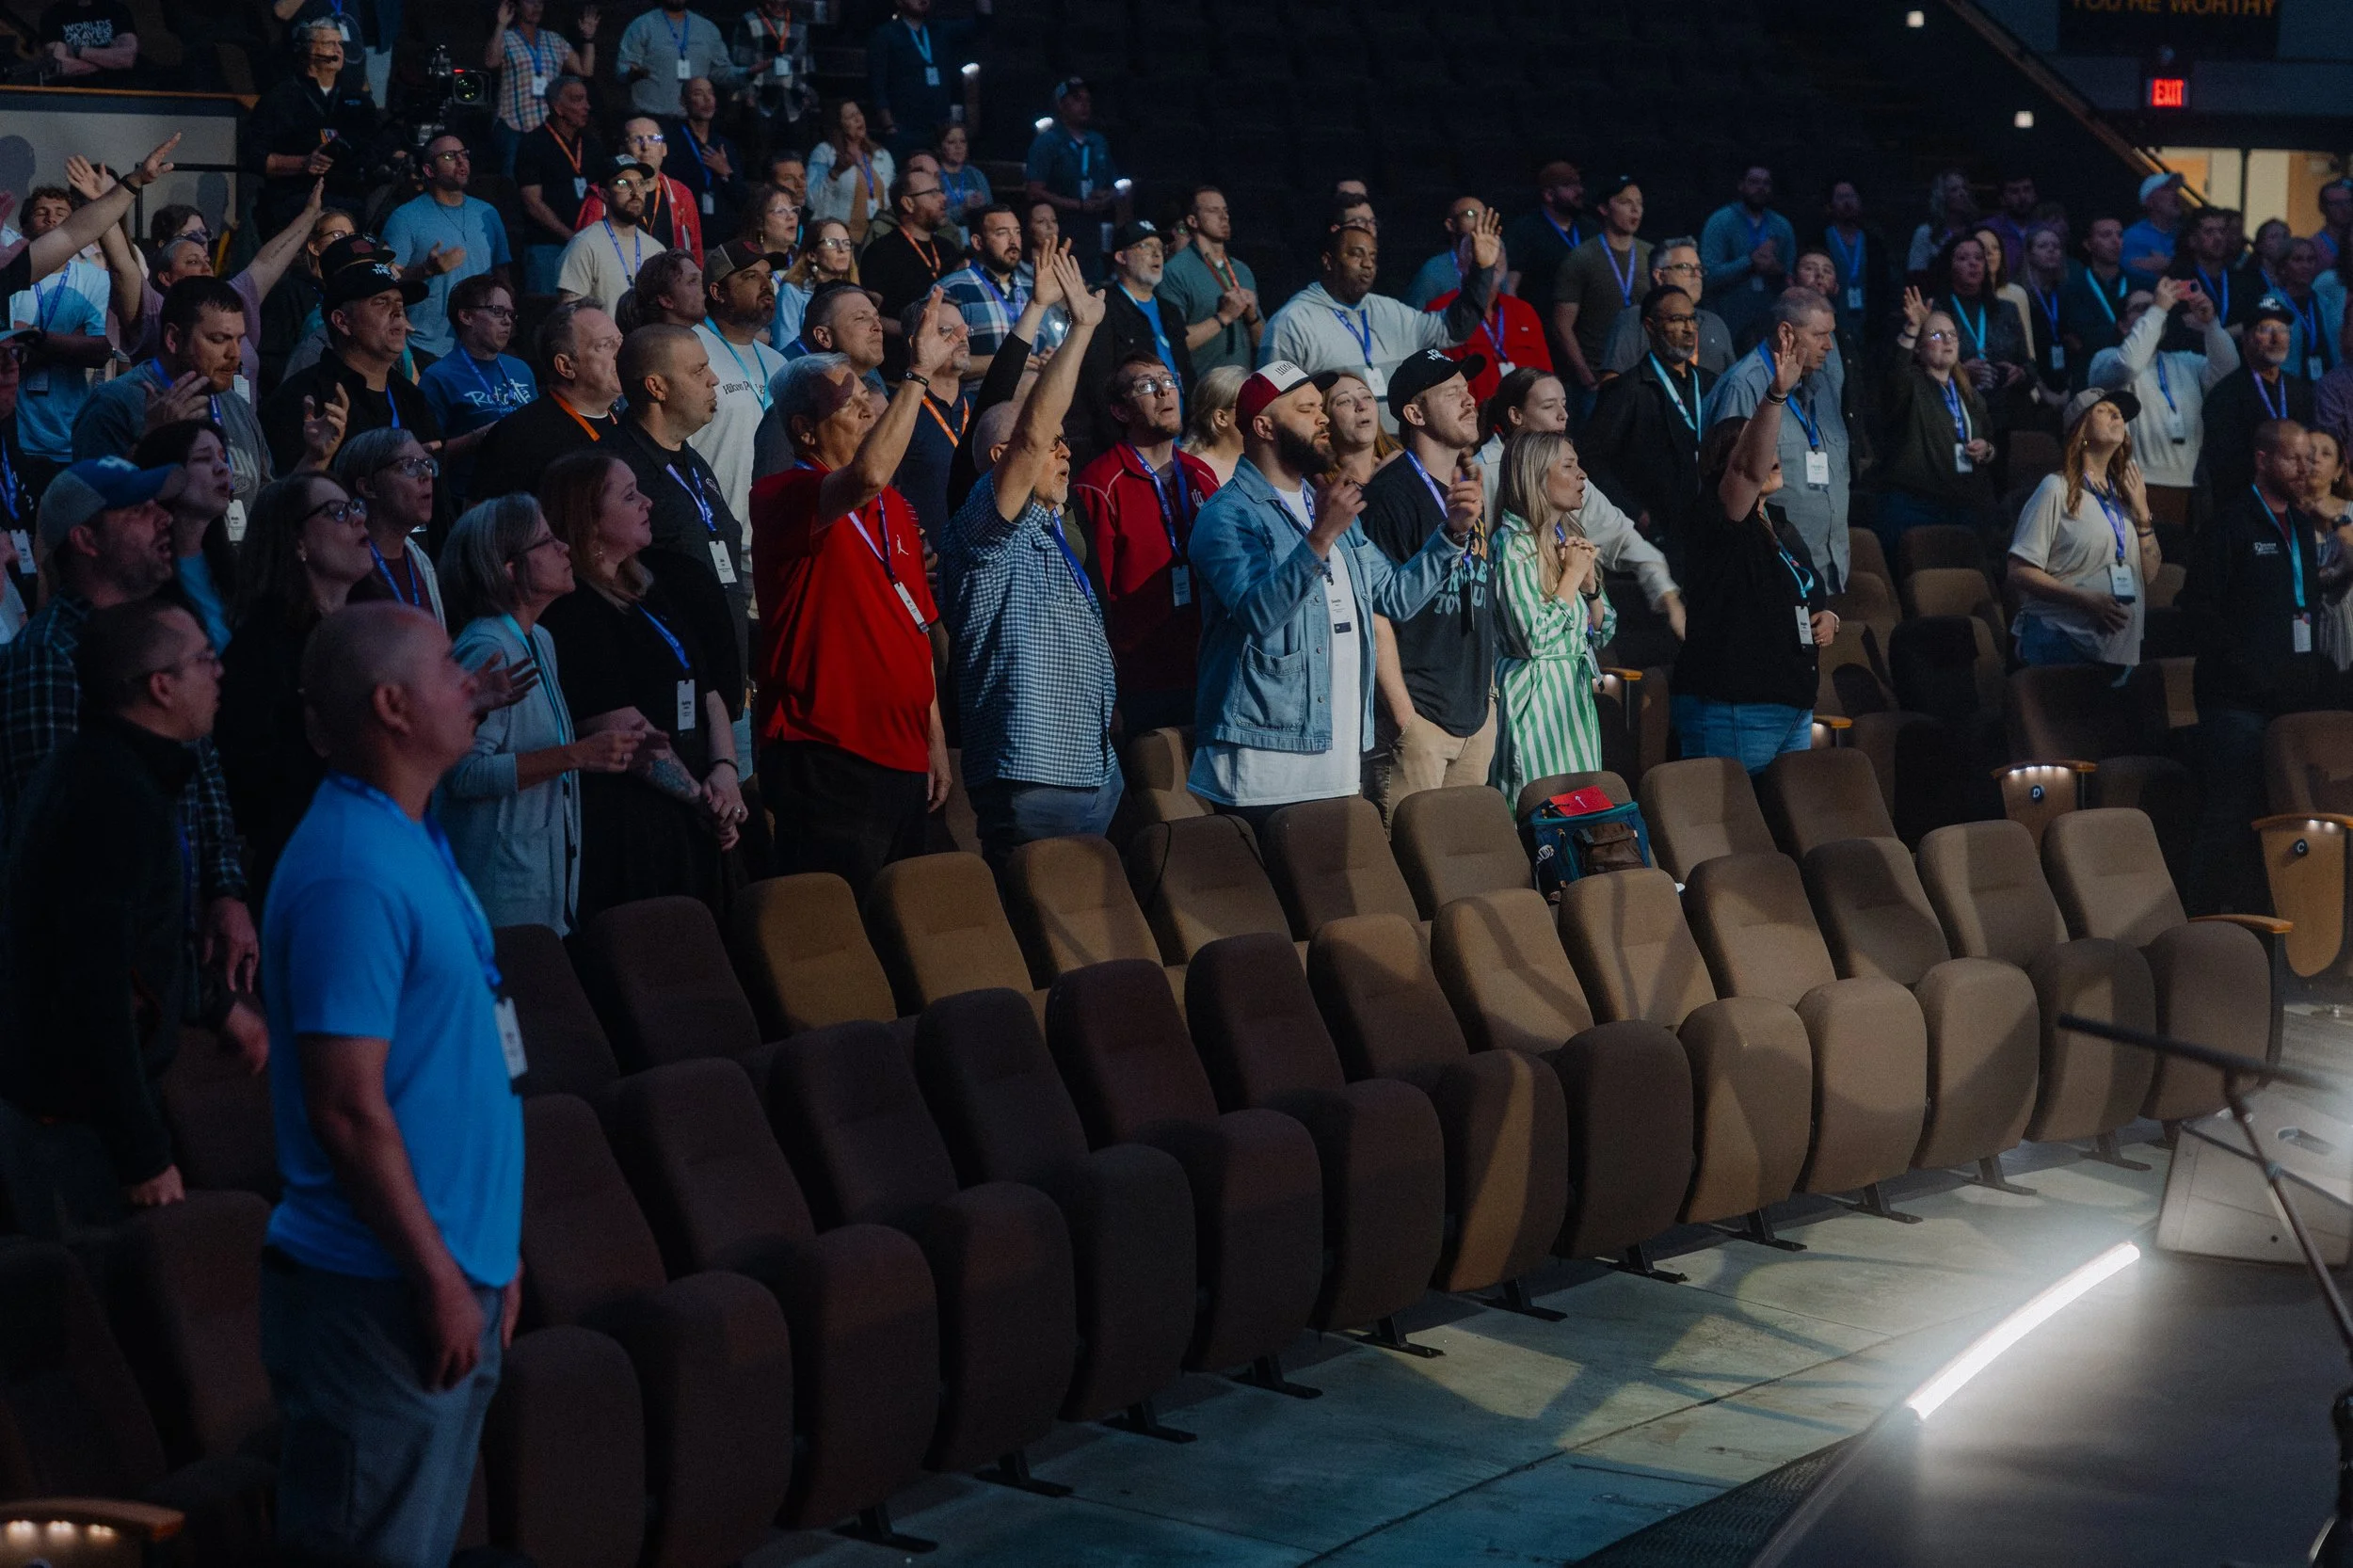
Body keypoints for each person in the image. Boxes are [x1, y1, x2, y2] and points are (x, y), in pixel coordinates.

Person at [258, 600, 523, 1568]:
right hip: (381, 1299)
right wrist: (442, 1276)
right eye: (449, 668)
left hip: (447, 1277)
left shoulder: (406, 835)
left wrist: (490, 1255)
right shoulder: (349, 870)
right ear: (393, 706)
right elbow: (344, 1105)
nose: (471, 681)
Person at [0, 595, 261, 1240]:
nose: (220, 670)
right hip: (70, 1123)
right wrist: (142, 1152)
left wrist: (211, 1006)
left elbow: (140, 948)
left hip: (79, 1111)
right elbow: (94, 987)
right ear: (160, 686)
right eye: (203, 659)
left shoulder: (111, 773)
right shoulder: (114, 800)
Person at [1181, 358, 1473, 824]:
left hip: (1335, 757)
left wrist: (1451, 536)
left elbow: (1395, 597)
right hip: (1263, 763)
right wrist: (1320, 538)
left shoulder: (1327, 504)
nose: (1322, 419)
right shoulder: (1228, 514)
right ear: (1264, 427)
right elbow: (1259, 614)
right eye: (1305, 410)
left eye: (1321, 408)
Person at [749, 318, 957, 894]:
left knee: (909, 925)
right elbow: (864, 475)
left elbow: (914, 624)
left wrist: (932, 734)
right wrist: (916, 373)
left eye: (872, 397)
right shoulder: (783, 496)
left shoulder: (895, 505)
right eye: (854, 404)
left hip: (904, 749)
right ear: (806, 431)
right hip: (827, 754)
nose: (870, 411)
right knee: (833, 932)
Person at [938, 254, 1120, 862]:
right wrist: (1082, 329)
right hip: (1033, 774)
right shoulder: (984, 532)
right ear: (1001, 459)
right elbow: (1033, 432)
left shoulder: (1050, 530)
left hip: (1092, 770)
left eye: (1067, 442)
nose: (1063, 449)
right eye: (1052, 444)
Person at [538, 449, 743, 921]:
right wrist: (704, 799)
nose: (648, 502)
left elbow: (707, 688)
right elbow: (618, 723)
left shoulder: (652, 586)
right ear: (588, 521)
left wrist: (726, 771)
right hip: (637, 823)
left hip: (698, 801)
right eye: (630, 496)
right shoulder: (574, 611)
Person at [439, 493, 640, 933]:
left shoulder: (540, 640)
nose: (564, 548)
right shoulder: (486, 648)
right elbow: (462, 775)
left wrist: (617, 747)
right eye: (546, 541)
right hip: (498, 899)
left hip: (541, 889)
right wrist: (576, 755)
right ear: (509, 567)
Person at [2185, 420, 2330, 915]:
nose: (2304, 468)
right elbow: (2198, 610)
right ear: (2263, 460)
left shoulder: (2303, 526)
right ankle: (2202, 921)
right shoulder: (2230, 525)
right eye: (2293, 458)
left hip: (2290, 704)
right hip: (2237, 705)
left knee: (2287, 817)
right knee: (2231, 815)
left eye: (2310, 458)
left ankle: (2282, 922)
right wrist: (2245, 667)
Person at [1673, 343, 1839, 773]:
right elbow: (1747, 471)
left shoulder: (1780, 524)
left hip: (1792, 704)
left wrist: (1827, 617)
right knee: (1731, 834)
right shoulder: (1716, 517)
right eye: (1754, 446)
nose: (1770, 456)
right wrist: (1775, 396)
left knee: (1782, 830)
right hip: (1735, 707)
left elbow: (1806, 595)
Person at [218, 472, 377, 896]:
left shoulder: (370, 632)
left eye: (356, 508)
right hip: (312, 869)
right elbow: (250, 785)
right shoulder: (258, 651)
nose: (359, 520)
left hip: (373, 853)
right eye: (338, 512)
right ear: (297, 543)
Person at [1360, 348, 1497, 821]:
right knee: (1409, 871)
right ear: (1414, 413)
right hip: (1418, 724)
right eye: (1453, 392)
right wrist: (1404, 720)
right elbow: (1378, 610)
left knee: (1461, 869)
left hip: (1474, 719)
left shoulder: (1465, 486)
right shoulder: (1387, 495)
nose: (1469, 400)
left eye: (1468, 390)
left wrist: (1489, 698)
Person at [1077, 351, 1221, 734]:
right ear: (1121, 412)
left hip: (1205, 668)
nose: (1163, 391)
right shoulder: (1099, 484)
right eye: (1145, 386)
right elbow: (1090, 603)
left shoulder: (1201, 474)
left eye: (1168, 380)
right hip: (1138, 680)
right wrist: (1104, 694)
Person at [72, 278, 287, 529]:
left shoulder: (237, 406)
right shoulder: (113, 405)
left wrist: (315, 460)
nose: (235, 354)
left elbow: (268, 503)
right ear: (173, 338)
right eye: (219, 339)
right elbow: (88, 511)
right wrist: (152, 442)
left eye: (239, 339)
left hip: (234, 565)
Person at [1261, 210, 1501, 431]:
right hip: (1336, 465)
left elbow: (1455, 328)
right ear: (1328, 261)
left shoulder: (1392, 311)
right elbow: (1275, 406)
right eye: (1356, 254)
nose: (1368, 263)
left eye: (1373, 256)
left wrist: (1482, 271)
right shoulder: (1292, 321)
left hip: (1401, 454)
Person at [611, 325, 748, 704]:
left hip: (726, 688)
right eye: (698, 371)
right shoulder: (615, 471)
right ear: (657, 387)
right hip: (667, 696)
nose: (714, 379)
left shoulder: (694, 462)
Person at [1490, 431, 1613, 802]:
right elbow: (1533, 639)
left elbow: (1603, 632)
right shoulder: (1511, 544)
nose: (1582, 476)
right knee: (1539, 813)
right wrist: (1572, 576)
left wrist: (1590, 587)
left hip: (1573, 702)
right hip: (1534, 704)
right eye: (1569, 466)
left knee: (1580, 815)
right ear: (1536, 476)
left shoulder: (1566, 537)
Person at [260, 237, 442, 479]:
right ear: (342, 322)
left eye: (399, 303)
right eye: (381, 302)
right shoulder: (303, 401)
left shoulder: (414, 401)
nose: (398, 312)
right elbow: (280, 503)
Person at [1706, 287, 1850, 589]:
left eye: (1832, 335)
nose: (1829, 346)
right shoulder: (1744, 386)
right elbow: (1731, 484)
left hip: (1829, 564)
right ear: (1786, 332)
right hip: (1771, 571)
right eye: (1819, 335)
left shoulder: (1823, 381)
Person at [2009, 387, 2161, 670]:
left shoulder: (2125, 497)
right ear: (2080, 431)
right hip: (2059, 641)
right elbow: (2019, 571)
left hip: (2112, 650)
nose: (2116, 414)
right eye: (2102, 410)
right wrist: (2083, 599)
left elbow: (2149, 576)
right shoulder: (2056, 488)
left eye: (2119, 414)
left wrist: (2141, 515)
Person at [2088, 275, 2240, 544]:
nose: (2154, 311)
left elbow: (2228, 372)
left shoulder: (2185, 361)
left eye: (2154, 306)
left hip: (2192, 488)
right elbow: (2130, 365)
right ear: (2123, 326)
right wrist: (2158, 308)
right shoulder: (2107, 359)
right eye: (2141, 309)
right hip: (2136, 486)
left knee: (2184, 571)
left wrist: (2211, 325)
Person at [1584, 285, 1714, 573]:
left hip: (1708, 528)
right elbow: (1591, 461)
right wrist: (1636, 515)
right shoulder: (1627, 389)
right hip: (1658, 537)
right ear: (1650, 326)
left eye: (1693, 319)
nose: (1689, 328)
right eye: (1677, 320)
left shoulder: (1710, 384)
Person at [1879, 289, 1998, 557]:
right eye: (1935, 335)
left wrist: (1987, 450)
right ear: (1919, 348)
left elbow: (1991, 443)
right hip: (1913, 506)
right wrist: (1912, 327)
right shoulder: (1910, 382)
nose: (1946, 340)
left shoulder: (1970, 394)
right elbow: (1892, 376)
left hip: (1962, 505)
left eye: (1952, 335)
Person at [470, 302, 623, 501]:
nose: (622, 352)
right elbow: (482, 523)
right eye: (604, 345)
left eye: (620, 341)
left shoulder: (627, 422)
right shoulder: (519, 435)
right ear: (566, 366)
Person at [379, 137, 512, 361]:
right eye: (450, 156)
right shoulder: (405, 217)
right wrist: (426, 270)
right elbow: (383, 278)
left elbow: (503, 278)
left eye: (464, 154)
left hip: (481, 346)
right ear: (429, 170)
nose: (461, 161)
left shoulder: (487, 213)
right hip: (428, 348)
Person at [8, 208, 112, 494]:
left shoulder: (94, 279)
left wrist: (36, 339)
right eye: (42, 211)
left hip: (71, 434)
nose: (51, 218)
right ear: (25, 223)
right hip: (16, 433)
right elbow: (9, 351)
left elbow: (101, 350)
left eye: (61, 213)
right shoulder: (10, 277)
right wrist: (67, 341)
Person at [692, 239, 792, 529]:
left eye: (768, 276)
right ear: (717, 292)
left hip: (774, 537)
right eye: (750, 276)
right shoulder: (690, 351)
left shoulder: (778, 363)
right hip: (716, 533)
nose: (766, 284)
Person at [1073, 220, 1192, 464]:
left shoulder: (1170, 311)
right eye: (1145, 246)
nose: (1157, 253)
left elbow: (1187, 374)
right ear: (1121, 256)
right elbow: (1098, 386)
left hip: (1179, 444)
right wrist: (1120, 448)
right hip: (1132, 447)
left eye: (1160, 247)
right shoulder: (1104, 309)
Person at [245, 23, 378, 233]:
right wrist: (303, 163)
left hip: (349, 200)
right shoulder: (279, 98)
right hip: (295, 201)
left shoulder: (358, 100)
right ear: (307, 51)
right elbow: (253, 156)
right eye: (328, 43)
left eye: (339, 43)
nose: (338, 50)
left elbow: (376, 148)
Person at [417, 275, 536, 504]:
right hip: (469, 502)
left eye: (510, 313)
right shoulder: (439, 376)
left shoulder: (521, 370)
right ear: (466, 316)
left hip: (524, 497)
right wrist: (477, 438)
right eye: (497, 311)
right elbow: (424, 455)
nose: (507, 321)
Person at [132, 420, 238, 655]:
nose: (222, 468)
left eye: (223, 457)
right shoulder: (141, 576)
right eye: (203, 458)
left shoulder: (231, 567)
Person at [2202, 296, 2316, 499]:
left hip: (2297, 502)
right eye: (2265, 329)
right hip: (2246, 504)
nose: (2276, 338)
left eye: (2283, 330)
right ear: (2245, 339)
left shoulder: (2301, 392)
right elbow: (2223, 465)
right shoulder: (2226, 395)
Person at [1552, 176, 1648, 407]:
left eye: (1639, 203)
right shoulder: (1582, 258)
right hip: (1598, 379)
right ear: (1604, 208)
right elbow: (1561, 325)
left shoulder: (1651, 255)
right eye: (1625, 202)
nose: (1635, 209)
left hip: (1642, 377)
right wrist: (1585, 374)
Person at [337, 428, 448, 624]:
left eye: (428, 464)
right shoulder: (344, 566)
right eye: (409, 466)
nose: (426, 476)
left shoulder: (421, 561)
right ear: (368, 487)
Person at [515, 76, 608, 296]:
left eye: (586, 99)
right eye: (578, 100)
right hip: (547, 246)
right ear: (558, 107)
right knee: (548, 317)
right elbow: (532, 202)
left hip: (589, 247)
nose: (587, 106)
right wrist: (572, 236)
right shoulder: (533, 143)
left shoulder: (592, 145)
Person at [1155, 185, 1259, 379]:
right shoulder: (1176, 271)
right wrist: (1224, 317)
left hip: (1242, 389)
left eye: (1225, 211)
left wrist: (1252, 317)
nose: (1224, 217)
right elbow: (1173, 342)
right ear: (1192, 221)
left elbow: (1261, 342)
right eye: (1213, 211)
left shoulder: (1242, 271)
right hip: (1203, 390)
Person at [1930, 231, 2031, 426]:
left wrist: (2020, 373)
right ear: (1949, 265)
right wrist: (1960, 372)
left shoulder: (2006, 310)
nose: (1973, 263)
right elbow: (1923, 367)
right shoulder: (1935, 311)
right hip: (1951, 411)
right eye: (1963, 258)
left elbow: (2028, 365)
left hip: (2002, 410)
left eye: (1979, 258)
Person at [487, 0, 598, 177]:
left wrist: (588, 38)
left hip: (545, 122)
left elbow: (585, 69)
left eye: (540, 3)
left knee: (544, 176)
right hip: (514, 123)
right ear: (517, 6)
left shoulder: (553, 40)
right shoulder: (506, 37)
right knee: (513, 178)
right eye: (530, 2)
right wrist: (501, 25)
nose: (536, 7)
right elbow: (491, 62)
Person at [1024, 77, 1120, 278]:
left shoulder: (1098, 141)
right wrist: (1078, 205)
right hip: (1061, 229)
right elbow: (1034, 190)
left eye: (1087, 99)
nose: (1085, 105)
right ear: (1061, 104)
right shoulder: (1047, 142)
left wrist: (1107, 196)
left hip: (1093, 230)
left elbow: (1114, 185)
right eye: (1077, 99)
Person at [861, 168, 961, 359]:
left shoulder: (947, 249)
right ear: (908, 203)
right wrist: (916, 331)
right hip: (902, 361)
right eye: (932, 193)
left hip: (949, 356)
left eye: (940, 191)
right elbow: (870, 315)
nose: (943, 199)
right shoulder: (881, 251)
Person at [866, 0, 984, 159]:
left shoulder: (940, 30)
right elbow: (877, 85)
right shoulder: (886, 34)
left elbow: (979, 25)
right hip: (905, 129)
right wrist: (889, 126)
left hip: (940, 129)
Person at [1598, 239, 1733, 376]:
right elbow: (1611, 383)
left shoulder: (1715, 324)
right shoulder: (1635, 320)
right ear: (1660, 276)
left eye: (1699, 269)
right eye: (1685, 267)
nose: (1697, 275)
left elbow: (1731, 381)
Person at [1700, 165, 1797, 344]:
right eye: (1754, 182)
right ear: (1741, 185)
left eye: (1766, 183)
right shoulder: (1720, 222)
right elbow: (1708, 276)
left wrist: (1777, 270)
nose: (1761, 188)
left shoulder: (1782, 226)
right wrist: (1750, 261)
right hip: (1728, 325)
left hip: (1771, 326)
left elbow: (1791, 281)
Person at [1503, 160, 1585, 366]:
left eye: (1578, 183)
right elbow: (1510, 288)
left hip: (1586, 338)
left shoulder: (1589, 228)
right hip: (1545, 335)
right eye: (1569, 186)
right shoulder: (1526, 230)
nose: (1579, 190)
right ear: (1548, 194)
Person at [558, 157, 661, 313]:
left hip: (647, 337)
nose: (635, 192)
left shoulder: (656, 249)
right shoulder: (584, 244)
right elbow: (569, 314)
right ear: (604, 194)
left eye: (640, 183)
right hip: (605, 338)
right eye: (623, 184)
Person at [937, 203, 1027, 380]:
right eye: (1002, 233)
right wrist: (1005, 362)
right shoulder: (952, 288)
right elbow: (939, 363)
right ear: (978, 242)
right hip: (979, 401)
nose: (1013, 241)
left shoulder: (1033, 287)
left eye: (1017, 232)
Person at [616, 0, 735, 119]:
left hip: (694, 119)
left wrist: (748, 73)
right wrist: (633, 73)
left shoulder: (707, 29)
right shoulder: (642, 25)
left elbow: (721, 72)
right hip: (652, 118)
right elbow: (623, 70)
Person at [668, 77, 748, 242]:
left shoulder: (724, 144)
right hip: (685, 232)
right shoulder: (673, 142)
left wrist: (726, 172)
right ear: (684, 101)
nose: (707, 99)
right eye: (698, 93)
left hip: (723, 235)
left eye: (710, 93)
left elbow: (742, 197)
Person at [808, 99, 894, 245]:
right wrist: (835, 172)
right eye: (850, 117)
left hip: (877, 240)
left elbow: (890, 201)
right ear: (839, 125)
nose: (858, 119)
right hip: (839, 241)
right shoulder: (825, 153)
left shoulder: (882, 155)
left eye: (859, 113)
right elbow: (812, 201)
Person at [1820, 179, 1892, 344]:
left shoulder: (1874, 242)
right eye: (1840, 197)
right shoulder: (1820, 239)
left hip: (1868, 325)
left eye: (1851, 196)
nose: (1847, 202)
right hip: (1831, 321)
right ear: (1830, 204)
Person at [2306, 427, 2353, 671]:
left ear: (2338, 471)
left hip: (2346, 624)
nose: (2315, 458)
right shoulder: (2284, 512)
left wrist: (2336, 520)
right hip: (2300, 621)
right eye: (2309, 451)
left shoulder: (2350, 511)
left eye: (2325, 454)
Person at [2062, 216, 2133, 376]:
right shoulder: (2072, 287)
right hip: (2090, 374)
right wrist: (2128, 332)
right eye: (2106, 235)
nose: (2116, 241)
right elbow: (2081, 336)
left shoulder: (2140, 284)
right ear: (2088, 244)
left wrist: (2101, 336)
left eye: (2120, 235)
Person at [1406, 196, 1493, 310]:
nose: (1480, 221)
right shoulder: (1434, 271)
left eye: (1484, 215)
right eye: (1470, 214)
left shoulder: (1495, 266)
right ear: (1450, 225)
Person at [35, 0, 137, 81]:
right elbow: (59, 66)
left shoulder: (117, 10)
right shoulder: (53, 15)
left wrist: (76, 51)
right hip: (73, 95)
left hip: (118, 94)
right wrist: (111, 61)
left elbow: (127, 57)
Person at [1906, 168, 1978, 276]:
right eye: (1954, 190)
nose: (1962, 193)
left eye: (1964, 188)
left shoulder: (1976, 230)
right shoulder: (1925, 233)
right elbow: (1916, 273)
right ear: (1942, 196)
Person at [1182, 363, 1245, 487]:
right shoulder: (1195, 472)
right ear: (1221, 418)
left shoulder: (1264, 462)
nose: (1260, 413)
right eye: (1249, 405)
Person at [1323, 371, 1389, 488]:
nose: (1362, 406)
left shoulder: (1407, 465)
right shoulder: (1318, 490)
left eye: (1367, 397)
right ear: (1324, 418)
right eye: (1344, 401)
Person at [2122, 171, 2185, 286]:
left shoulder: (2186, 235)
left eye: (2176, 188)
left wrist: (2168, 265)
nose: (2175, 194)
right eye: (2167, 188)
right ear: (2149, 201)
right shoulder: (2132, 237)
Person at [936, 122, 992, 225]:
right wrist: (963, 208)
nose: (959, 146)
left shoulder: (975, 174)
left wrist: (982, 206)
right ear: (940, 147)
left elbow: (991, 212)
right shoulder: (934, 176)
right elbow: (933, 219)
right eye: (951, 142)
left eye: (963, 141)